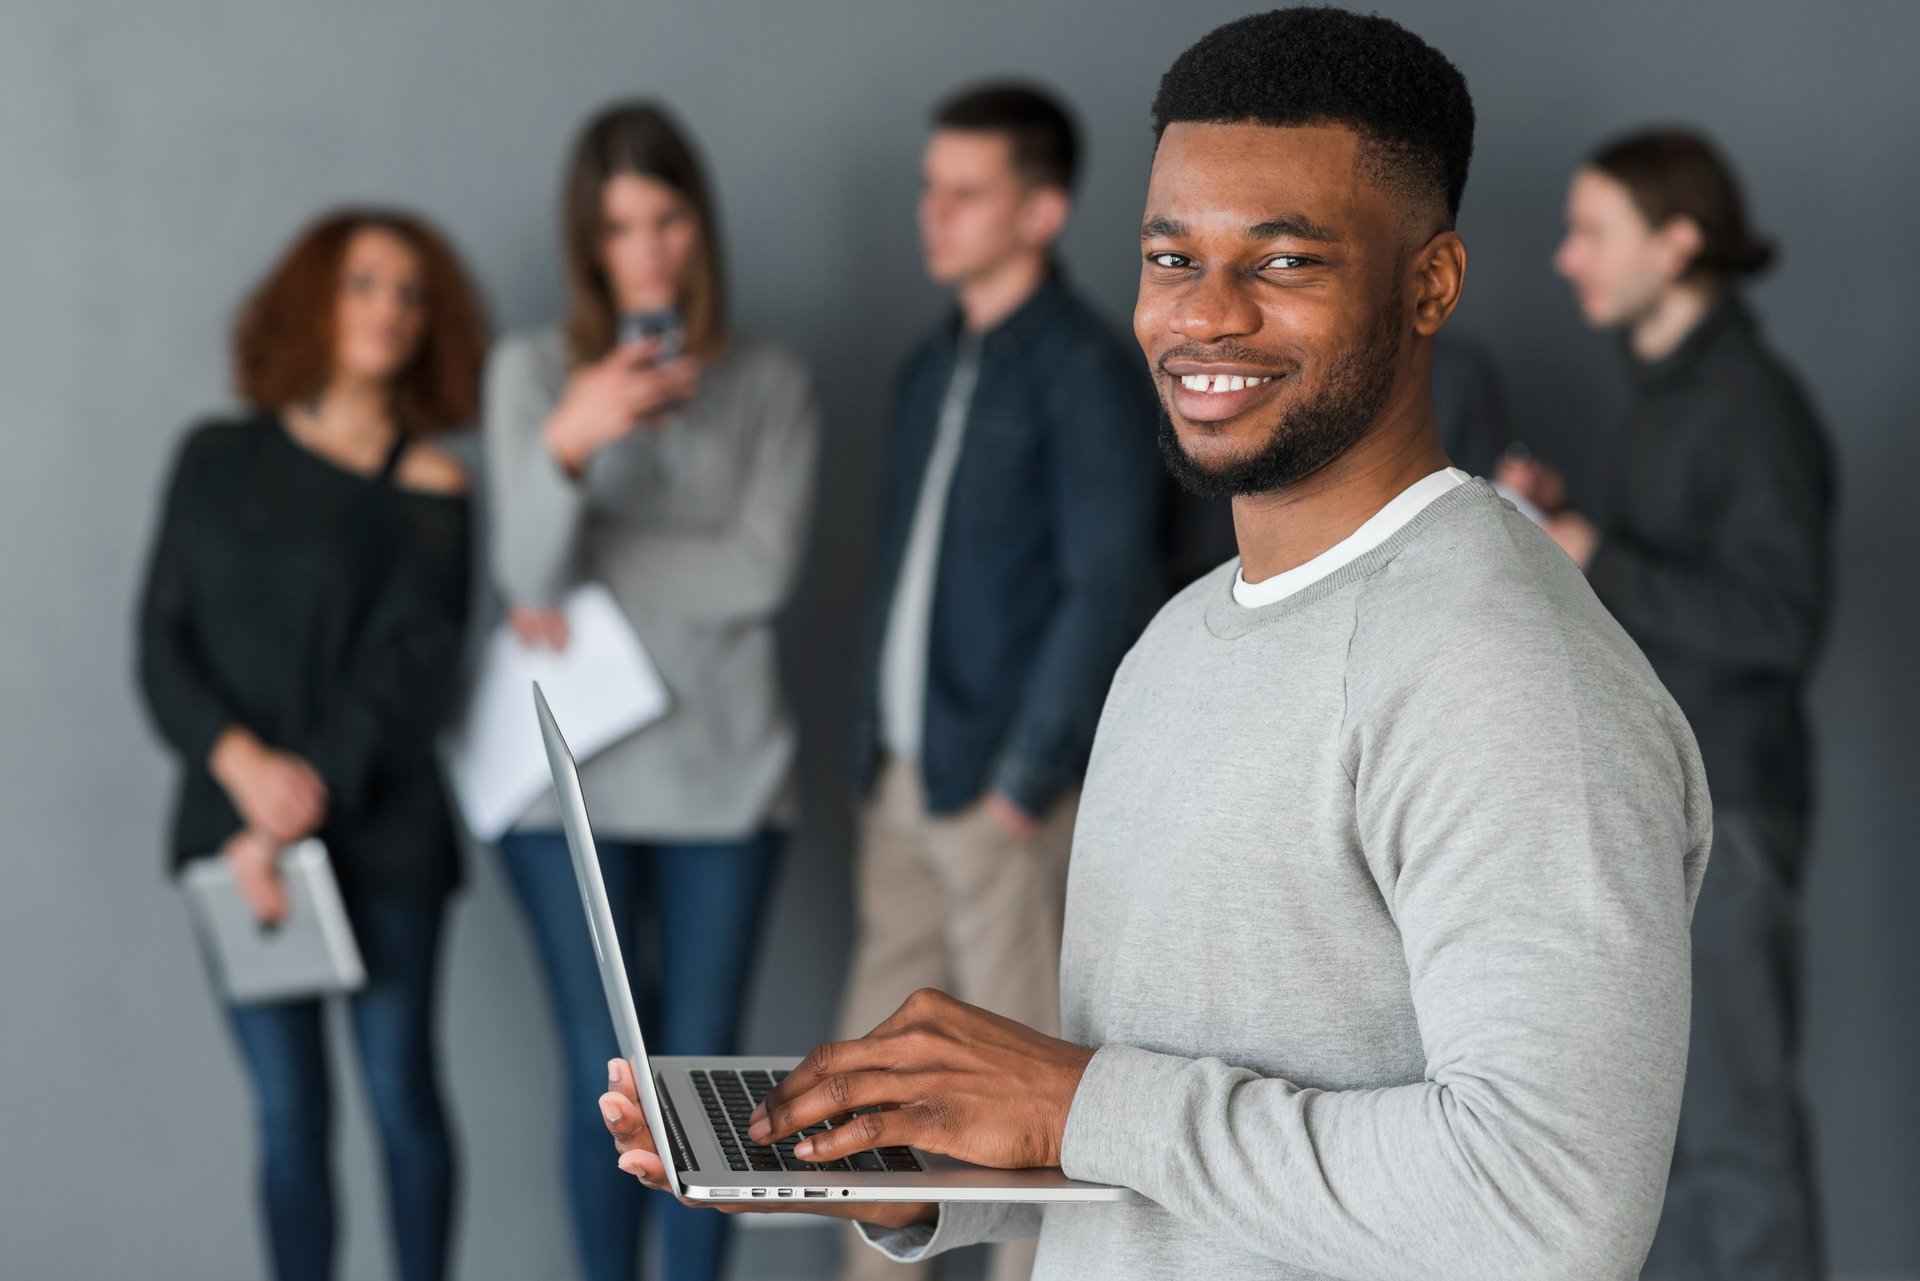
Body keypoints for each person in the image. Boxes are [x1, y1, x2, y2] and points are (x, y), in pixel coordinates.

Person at [601, 8, 1714, 1279]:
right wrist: (912, 1169)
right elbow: (1161, 1168)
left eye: (1285, 262)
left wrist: (1083, 1099)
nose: (1206, 317)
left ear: (1431, 284)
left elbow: (1549, 1214)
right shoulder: (1176, 646)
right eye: (1172, 257)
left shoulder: (1512, 675)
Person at [483, 100, 819, 1281]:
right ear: (589, 239)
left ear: (699, 224)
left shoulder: (770, 381)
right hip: (565, 785)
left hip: (728, 778)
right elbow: (523, 574)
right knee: (605, 1071)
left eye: (667, 216)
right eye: (620, 224)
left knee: (700, 1077)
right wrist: (568, 444)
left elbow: (760, 571)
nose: (649, 247)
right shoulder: (530, 373)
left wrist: (585, 560)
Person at [833, 80, 1164, 1281]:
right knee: (866, 1112)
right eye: (931, 187)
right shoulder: (932, 368)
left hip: (1004, 798)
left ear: (1042, 210)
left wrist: (1028, 778)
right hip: (904, 785)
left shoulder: (1082, 372)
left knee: (1021, 1127)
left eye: (966, 193)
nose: (934, 213)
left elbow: (1108, 586)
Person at [1500, 127, 1834, 1280]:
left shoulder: (1753, 407)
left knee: (1734, 1149)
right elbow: (1686, 582)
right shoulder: (1669, 396)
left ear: (1679, 242)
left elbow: (1779, 624)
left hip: (1729, 820)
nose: (1566, 258)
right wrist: (1579, 522)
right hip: (1669, 820)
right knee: (1673, 1145)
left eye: (1593, 232)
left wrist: (1594, 551)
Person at [136, 208, 485, 1281]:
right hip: (232, 838)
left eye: (411, 293)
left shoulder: (433, 487)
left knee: (400, 1098)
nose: (388, 310)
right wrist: (244, 777)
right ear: (314, 301)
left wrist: (301, 794)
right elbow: (160, 643)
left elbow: (407, 678)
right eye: (365, 283)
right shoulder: (213, 454)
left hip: (381, 837)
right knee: (289, 1120)